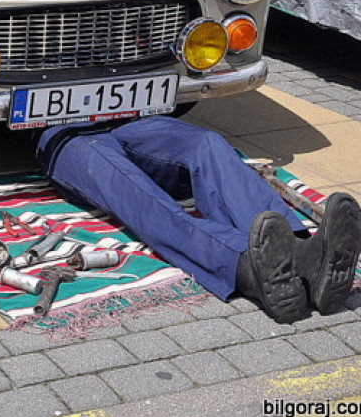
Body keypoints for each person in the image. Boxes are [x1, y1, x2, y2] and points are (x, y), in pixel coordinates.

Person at [36, 116, 361, 323]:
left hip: (131, 118)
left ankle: (304, 254)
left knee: (208, 144)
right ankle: (246, 268)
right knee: (136, 191)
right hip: (62, 133)